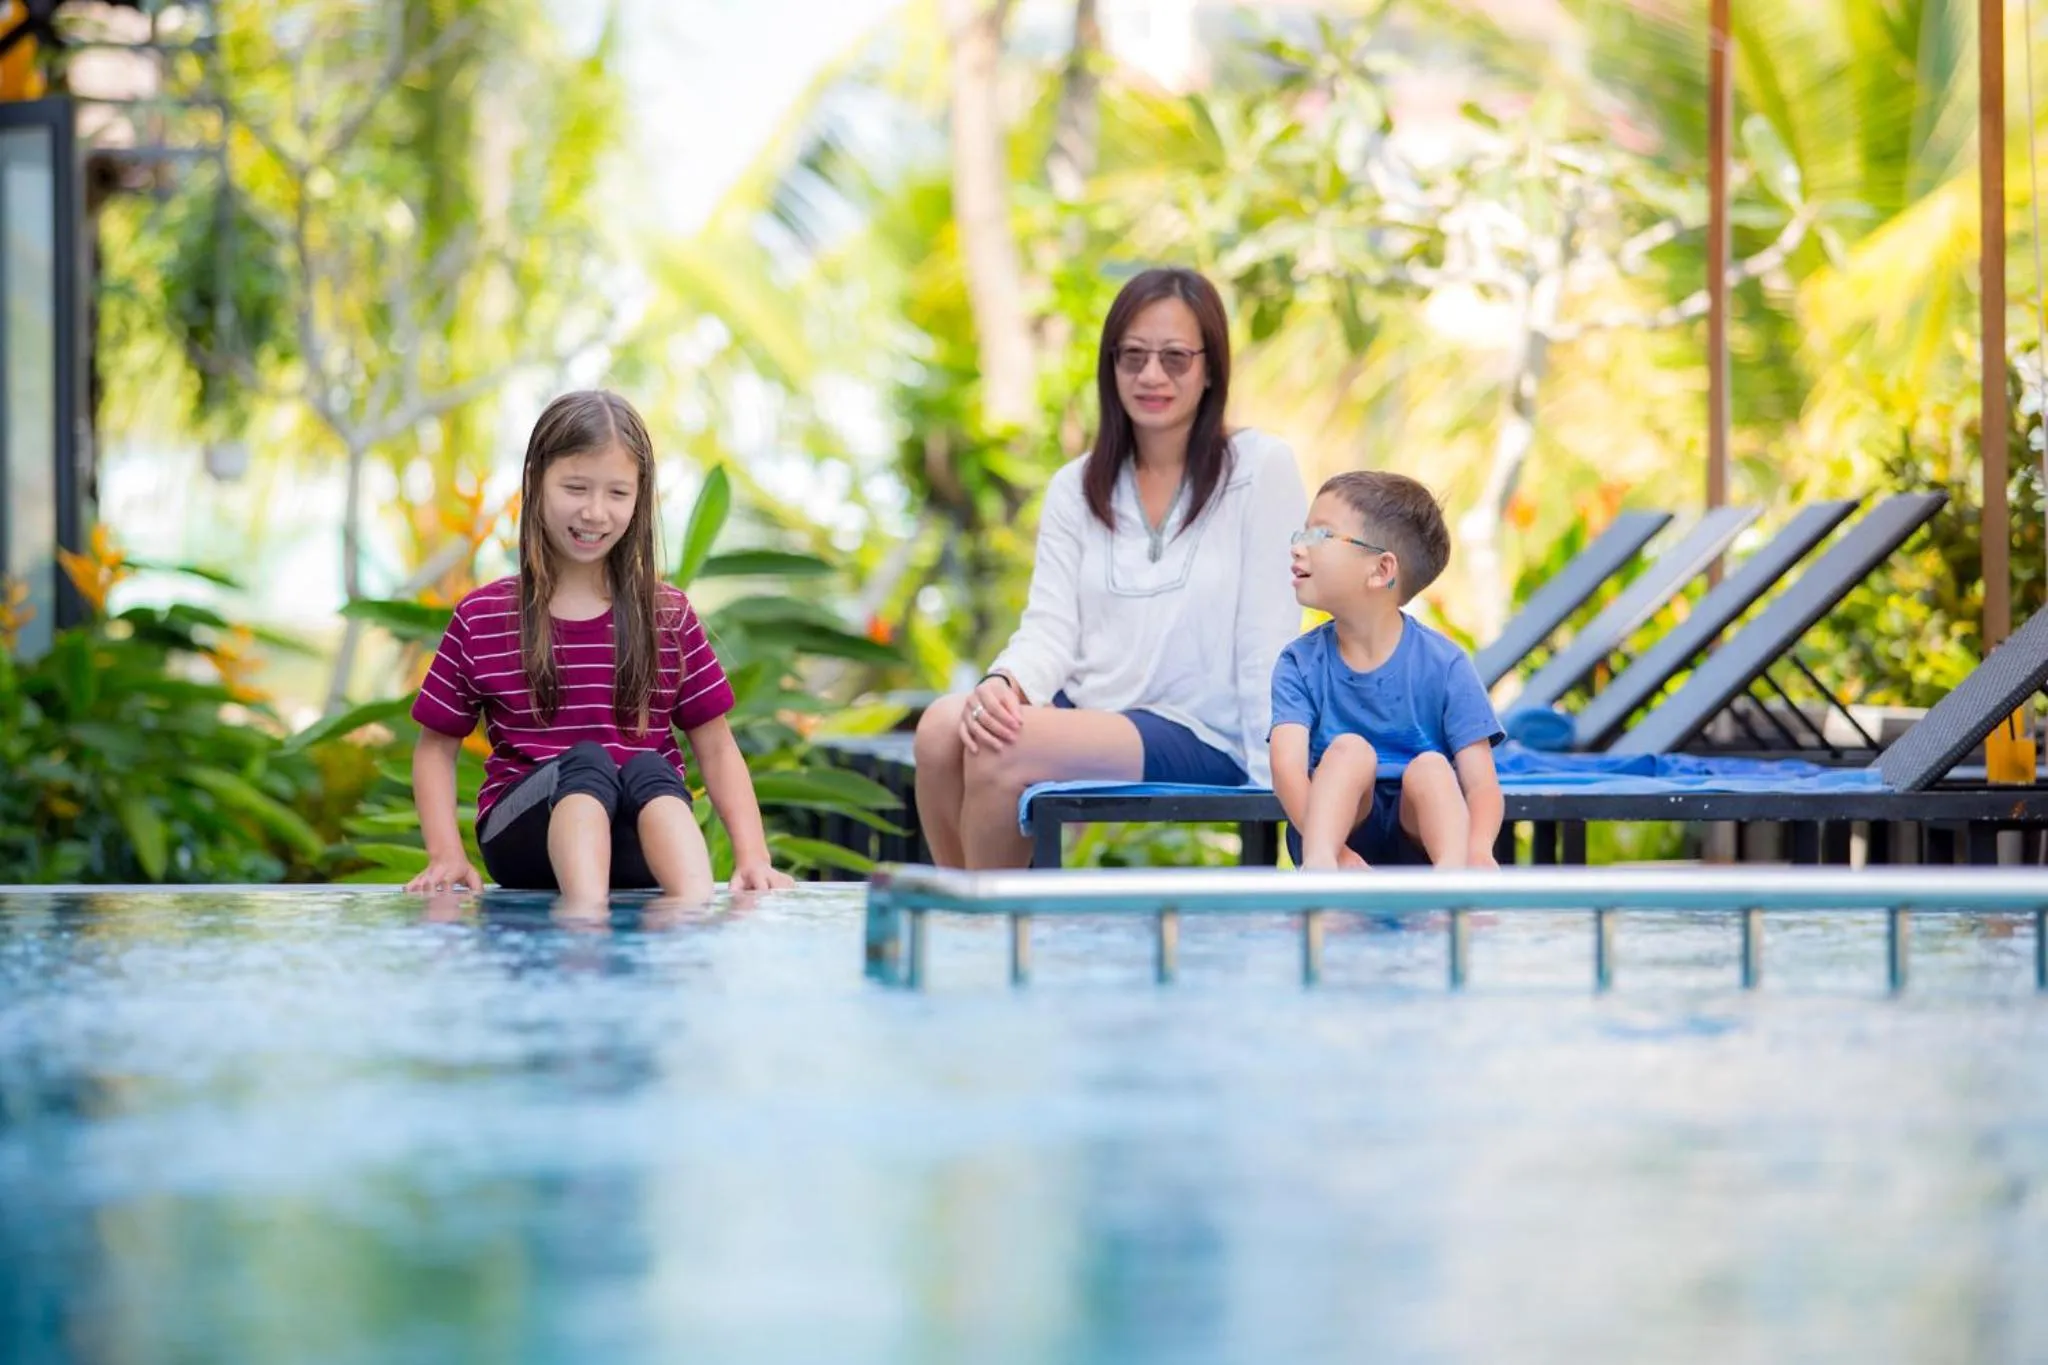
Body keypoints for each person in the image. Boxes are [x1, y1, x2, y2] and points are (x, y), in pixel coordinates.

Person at [913, 266, 1308, 869]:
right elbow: (1049, 629)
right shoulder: (1075, 486)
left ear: (1210, 369)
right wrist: (1004, 683)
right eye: (1133, 357)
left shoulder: (1259, 468)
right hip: (1090, 714)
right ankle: (973, 918)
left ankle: (989, 941)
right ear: (1111, 365)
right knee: (944, 727)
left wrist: (1274, 791)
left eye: (1175, 358)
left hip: (1203, 730)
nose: (1152, 375)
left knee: (1002, 747)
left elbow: (1268, 640)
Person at [405, 390, 794, 904]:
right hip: (525, 841)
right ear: (535, 483)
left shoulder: (667, 615)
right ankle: (583, 928)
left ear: (639, 497)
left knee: (650, 769)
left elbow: (717, 747)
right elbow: (436, 748)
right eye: (575, 487)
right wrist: (445, 855)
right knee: (586, 764)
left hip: (637, 847)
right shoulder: (483, 617)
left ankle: (691, 921)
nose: (594, 512)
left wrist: (753, 857)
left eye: (617, 493)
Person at [1270, 471, 1505, 870]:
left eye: (1321, 535)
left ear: (1381, 570)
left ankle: (1454, 884)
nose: (1298, 547)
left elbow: (1482, 784)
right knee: (1349, 750)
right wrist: (1337, 853)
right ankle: (1322, 871)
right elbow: (1286, 767)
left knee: (1432, 766)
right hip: (1331, 831)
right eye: (1302, 532)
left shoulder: (1445, 663)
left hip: (1421, 835)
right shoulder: (1299, 663)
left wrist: (1478, 849)